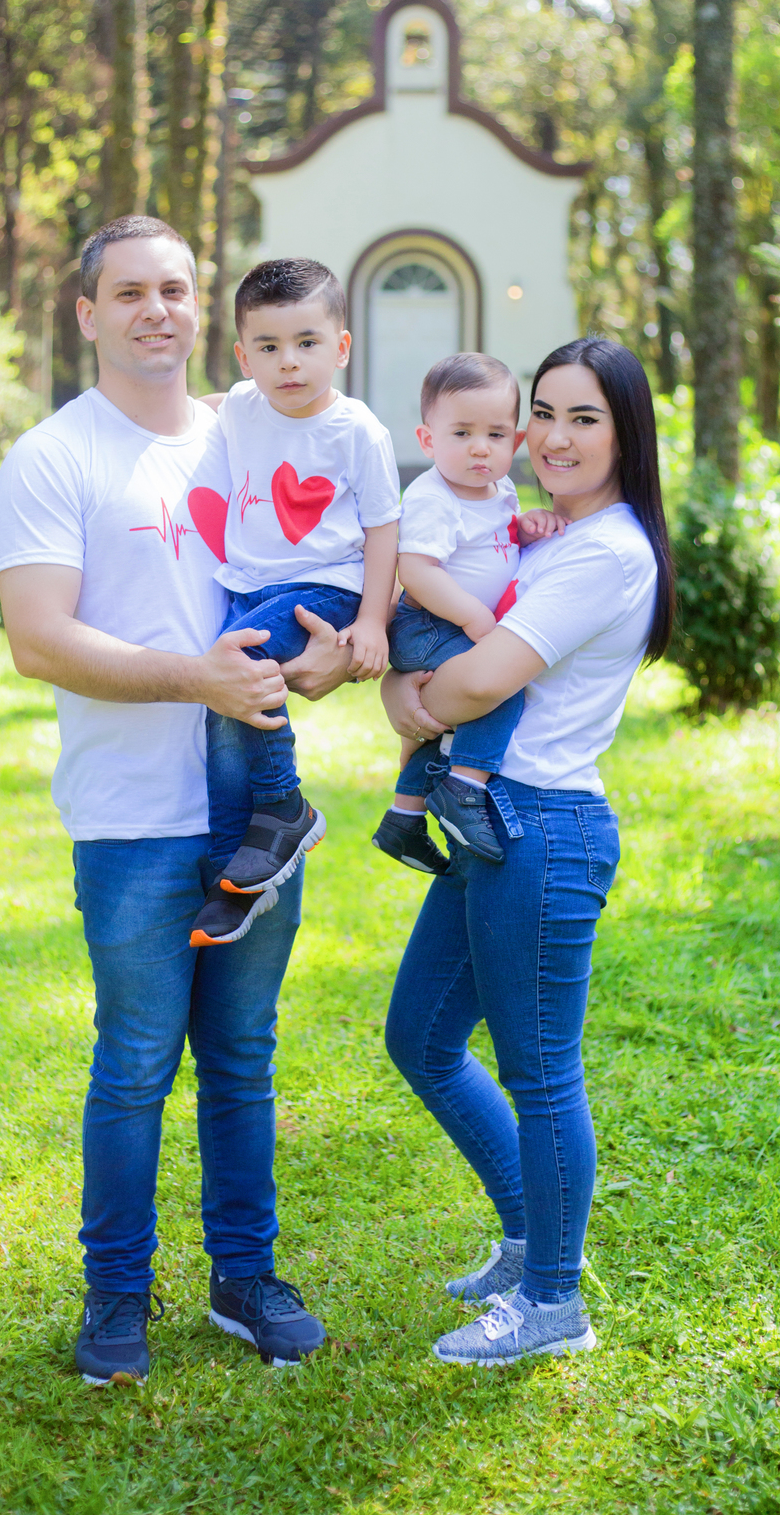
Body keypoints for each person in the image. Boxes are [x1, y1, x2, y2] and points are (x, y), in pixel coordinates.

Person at [0, 215, 352, 1386]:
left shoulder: (256, 435)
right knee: (137, 1060)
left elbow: (337, 576)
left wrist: (340, 650)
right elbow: (39, 640)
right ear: (87, 315)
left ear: (204, 312)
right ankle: (115, 1300)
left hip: (255, 815)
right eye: (131, 292)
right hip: (133, 819)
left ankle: (245, 1278)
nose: (158, 309)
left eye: (178, 290)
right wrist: (195, 677)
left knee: (243, 1057)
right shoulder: (55, 458)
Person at [380, 335, 675, 1366]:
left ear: (624, 432)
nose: (551, 435)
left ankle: (554, 1303)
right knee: (419, 1038)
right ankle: (529, 1239)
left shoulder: (607, 551)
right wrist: (411, 695)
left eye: (583, 417)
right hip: (487, 821)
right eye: (541, 411)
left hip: (542, 829)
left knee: (541, 1072)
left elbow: (467, 688)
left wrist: (407, 697)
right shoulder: (544, 533)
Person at [191, 258, 400, 946]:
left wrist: (371, 619)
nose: (289, 363)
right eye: (269, 347)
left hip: (324, 589)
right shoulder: (241, 406)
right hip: (249, 587)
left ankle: (284, 804)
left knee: (236, 674)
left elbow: (382, 528)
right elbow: (187, 415)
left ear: (341, 347)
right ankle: (232, 874)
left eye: (308, 343)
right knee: (222, 719)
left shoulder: (357, 430)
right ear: (243, 355)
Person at [370, 353, 561, 876]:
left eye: (496, 435)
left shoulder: (500, 490)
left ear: (516, 443)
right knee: (498, 688)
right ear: (428, 440)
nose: (481, 447)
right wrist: (477, 618)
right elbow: (417, 570)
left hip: (455, 624)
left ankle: (404, 817)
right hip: (428, 623)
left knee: (440, 729)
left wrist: (526, 525)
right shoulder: (433, 495)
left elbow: (492, 542)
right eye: (461, 433)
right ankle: (464, 789)